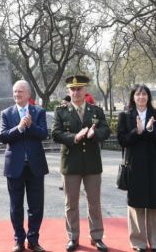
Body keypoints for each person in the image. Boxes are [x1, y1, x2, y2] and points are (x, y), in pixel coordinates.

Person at [52, 75, 111, 252]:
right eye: (73, 89)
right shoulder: (61, 111)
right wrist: (74, 137)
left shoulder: (95, 110)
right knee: (71, 203)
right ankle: (73, 237)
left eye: (79, 89)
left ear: (86, 91)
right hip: (71, 162)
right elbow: (55, 133)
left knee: (94, 202)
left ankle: (97, 236)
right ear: (68, 92)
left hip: (92, 162)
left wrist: (96, 134)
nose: (76, 92)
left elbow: (106, 130)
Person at [117, 84, 156, 252]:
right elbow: (123, 140)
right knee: (136, 204)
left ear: (148, 97)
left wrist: (149, 130)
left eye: (144, 94)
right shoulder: (125, 116)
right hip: (134, 165)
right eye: (138, 94)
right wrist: (138, 131)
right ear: (133, 97)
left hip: (155, 164)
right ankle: (138, 242)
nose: (141, 97)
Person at [0, 80, 49, 252]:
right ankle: (18, 240)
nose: (17, 95)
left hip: (35, 166)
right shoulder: (6, 113)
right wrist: (19, 128)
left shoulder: (39, 112)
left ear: (29, 94)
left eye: (20, 91)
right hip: (15, 166)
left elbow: (44, 134)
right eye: (15, 92)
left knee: (36, 206)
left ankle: (33, 240)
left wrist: (31, 126)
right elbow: (3, 136)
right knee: (16, 205)